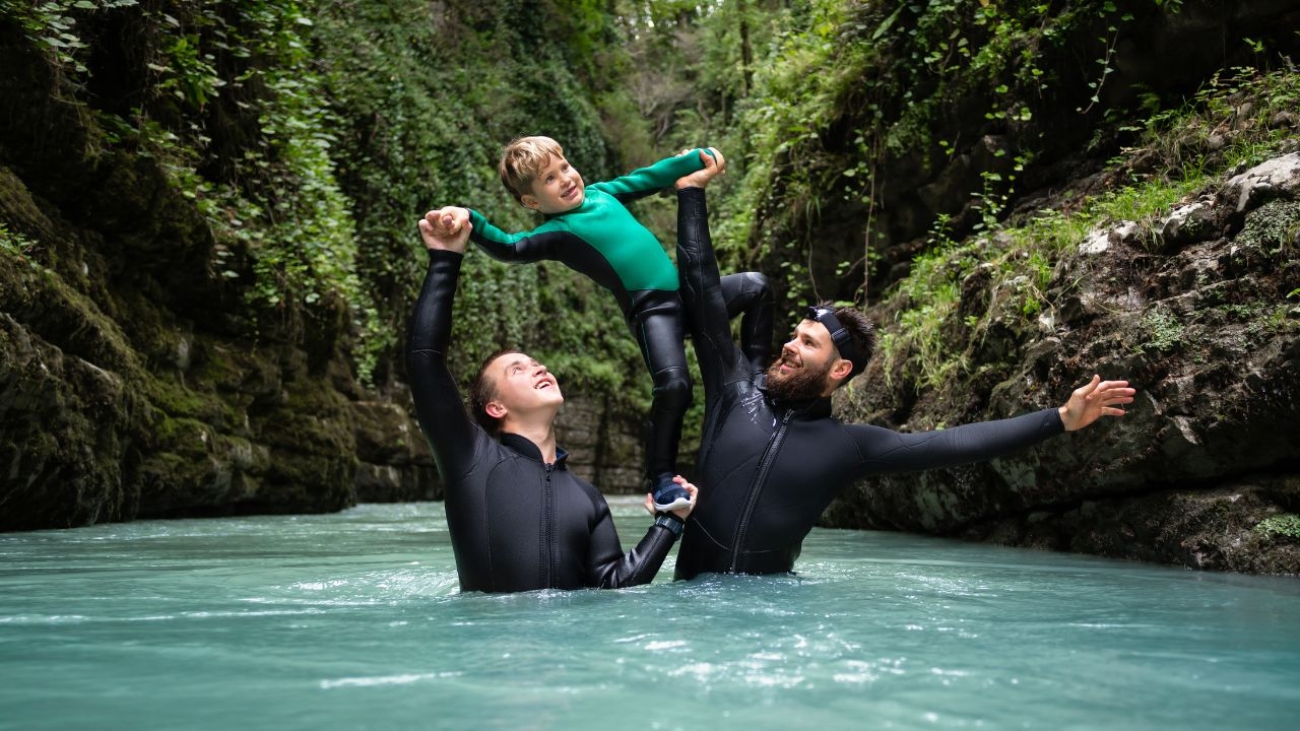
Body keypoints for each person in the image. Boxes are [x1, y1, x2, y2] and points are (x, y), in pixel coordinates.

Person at [670, 150, 1137, 580]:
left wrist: (1059, 419)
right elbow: (703, 287)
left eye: (807, 343)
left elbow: (951, 444)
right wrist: (692, 193)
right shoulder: (733, 389)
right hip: (692, 608)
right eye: (793, 335)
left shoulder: (849, 447)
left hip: (772, 621)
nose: (789, 346)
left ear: (839, 370)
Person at [424, 138, 769, 514]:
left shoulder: (604, 193)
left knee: (757, 287)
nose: (567, 179)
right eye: (550, 179)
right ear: (533, 202)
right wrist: (470, 219)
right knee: (673, 385)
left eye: (564, 167)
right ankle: (661, 478)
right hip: (653, 311)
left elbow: (648, 178)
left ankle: (760, 377)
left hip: (690, 295)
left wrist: (694, 158)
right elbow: (510, 246)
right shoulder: (557, 233)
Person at [406, 206, 699, 593]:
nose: (538, 367)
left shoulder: (588, 499)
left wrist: (670, 522)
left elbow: (613, 583)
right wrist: (445, 260)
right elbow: (425, 361)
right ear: (496, 408)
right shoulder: (470, 457)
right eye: (517, 369)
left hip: (567, 651)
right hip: (489, 649)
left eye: (535, 362)